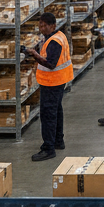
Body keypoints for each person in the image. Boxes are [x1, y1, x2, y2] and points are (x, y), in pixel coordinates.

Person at [24, 11, 72, 161]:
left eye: (44, 26)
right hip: (58, 80)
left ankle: (48, 148)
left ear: (53, 26)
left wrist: (34, 54)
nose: (41, 28)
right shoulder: (57, 36)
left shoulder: (54, 42)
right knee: (56, 110)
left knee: (48, 114)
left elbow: (50, 64)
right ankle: (58, 140)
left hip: (53, 82)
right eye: (40, 25)